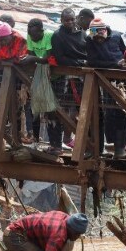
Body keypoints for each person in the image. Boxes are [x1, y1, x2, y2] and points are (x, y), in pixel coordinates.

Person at [47, 8, 88, 156]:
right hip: (63, 78)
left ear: (75, 18)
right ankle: (56, 144)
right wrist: (78, 63)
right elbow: (60, 57)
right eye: (66, 20)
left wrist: (83, 62)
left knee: (79, 111)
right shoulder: (58, 36)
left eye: (72, 19)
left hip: (82, 79)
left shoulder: (82, 34)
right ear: (62, 20)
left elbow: (86, 51)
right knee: (58, 111)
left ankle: (80, 143)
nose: (69, 22)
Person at [86, 18, 126, 158]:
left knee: (122, 112)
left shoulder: (116, 36)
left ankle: (120, 148)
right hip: (103, 79)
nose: (98, 39)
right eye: (95, 37)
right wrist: (114, 66)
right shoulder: (90, 40)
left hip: (122, 80)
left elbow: (125, 53)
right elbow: (92, 61)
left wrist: (122, 65)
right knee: (107, 112)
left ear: (104, 31)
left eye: (99, 36)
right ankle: (105, 147)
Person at [20, 18, 55, 143]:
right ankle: (34, 137)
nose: (33, 38)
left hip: (52, 75)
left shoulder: (49, 35)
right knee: (33, 107)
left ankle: (53, 141)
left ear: (42, 30)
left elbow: (48, 58)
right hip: (37, 75)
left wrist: (32, 58)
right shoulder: (30, 35)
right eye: (31, 35)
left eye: (35, 35)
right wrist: (32, 58)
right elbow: (31, 54)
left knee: (50, 109)